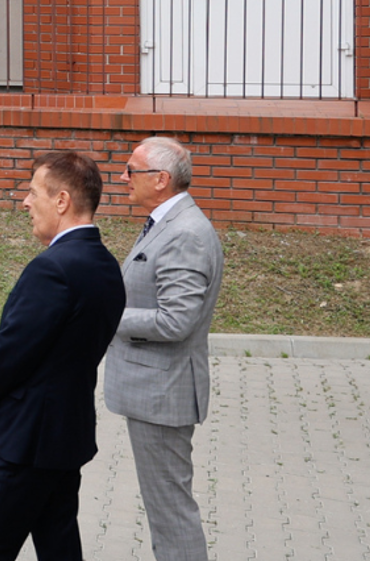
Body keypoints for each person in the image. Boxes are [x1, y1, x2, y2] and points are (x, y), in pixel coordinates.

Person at [0, 150, 125, 561]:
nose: (25, 202)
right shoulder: (105, 264)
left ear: (62, 201)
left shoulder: (53, 269)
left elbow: (13, 349)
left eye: (34, 192)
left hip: (28, 443)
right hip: (66, 437)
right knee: (59, 546)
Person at [107, 136, 222, 561]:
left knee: (171, 513)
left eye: (130, 170)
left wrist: (106, 319)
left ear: (161, 179)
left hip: (163, 393)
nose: (122, 178)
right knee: (165, 510)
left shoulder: (185, 234)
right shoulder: (167, 222)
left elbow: (177, 320)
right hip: (156, 391)